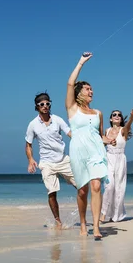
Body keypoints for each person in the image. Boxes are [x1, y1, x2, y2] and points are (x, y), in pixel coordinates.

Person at [65, 51, 115, 240]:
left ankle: (95, 227)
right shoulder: (72, 108)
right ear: (79, 93)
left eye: (91, 89)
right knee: (82, 190)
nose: (91, 91)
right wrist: (81, 62)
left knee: (96, 186)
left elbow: (100, 136)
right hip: (78, 153)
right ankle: (83, 223)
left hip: (96, 152)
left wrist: (108, 140)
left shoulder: (98, 112)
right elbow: (70, 83)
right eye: (87, 89)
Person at [25, 92, 77, 229]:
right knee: (51, 192)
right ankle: (58, 221)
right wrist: (31, 160)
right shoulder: (33, 124)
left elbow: (70, 133)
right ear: (37, 107)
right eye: (42, 104)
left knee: (81, 185)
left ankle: (83, 215)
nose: (45, 106)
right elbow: (28, 145)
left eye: (48, 104)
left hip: (63, 160)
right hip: (47, 163)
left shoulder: (58, 120)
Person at [100, 108, 133, 223]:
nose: (116, 116)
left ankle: (115, 215)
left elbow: (128, 126)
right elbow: (101, 139)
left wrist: (132, 117)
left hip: (120, 160)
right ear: (111, 118)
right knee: (109, 186)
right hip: (108, 158)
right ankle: (103, 213)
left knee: (119, 188)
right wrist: (107, 141)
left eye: (119, 115)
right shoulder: (106, 131)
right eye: (114, 114)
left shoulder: (123, 130)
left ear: (121, 119)